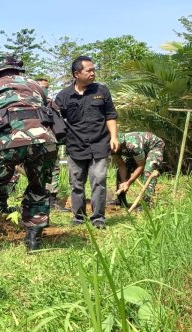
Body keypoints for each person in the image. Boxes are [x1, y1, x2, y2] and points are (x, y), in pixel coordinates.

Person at [0, 54, 58, 253]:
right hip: (44, 142)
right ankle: (33, 243)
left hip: (6, 142)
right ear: (18, 69)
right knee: (39, 188)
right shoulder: (37, 86)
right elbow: (54, 114)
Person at [54, 56, 119, 228]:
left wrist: (114, 136)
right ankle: (79, 217)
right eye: (88, 70)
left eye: (93, 69)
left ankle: (98, 218)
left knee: (99, 180)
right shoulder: (63, 96)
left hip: (99, 143)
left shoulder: (102, 91)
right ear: (77, 74)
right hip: (75, 145)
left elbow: (111, 115)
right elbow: (55, 119)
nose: (93, 73)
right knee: (76, 183)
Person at [35, 77, 71, 212]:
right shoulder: (44, 101)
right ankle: (45, 200)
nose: (46, 90)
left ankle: (49, 200)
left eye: (47, 87)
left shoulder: (29, 100)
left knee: (51, 170)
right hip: (40, 141)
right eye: (43, 87)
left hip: (46, 140)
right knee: (46, 170)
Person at [110, 131, 165, 207]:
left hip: (154, 146)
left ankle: (147, 203)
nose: (113, 150)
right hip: (140, 151)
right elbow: (121, 165)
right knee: (120, 171)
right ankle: (121, 200)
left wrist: (128, 182)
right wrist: (124, 182)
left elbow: (141, 166)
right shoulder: (111, 147)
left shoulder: (132, 144)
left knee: (148, 171)